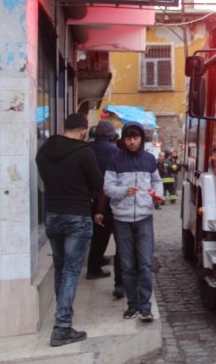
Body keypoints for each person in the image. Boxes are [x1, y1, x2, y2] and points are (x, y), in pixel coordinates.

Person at [36, 113, 103, 347]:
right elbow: (98, 184)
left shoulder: (44, 150)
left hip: (52, 215)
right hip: (76, 215)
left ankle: (63, 318)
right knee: (71, 272)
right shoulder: (84, 152)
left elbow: (44, 178)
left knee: (61, 268)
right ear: (84, 130)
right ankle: (62, 326)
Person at [104, 121, 163, 322]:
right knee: (128, 265)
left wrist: (157, 195)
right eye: (128, 138)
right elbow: (108, 187)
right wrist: (123, 191)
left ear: (141, 139)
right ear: (123, 139)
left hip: (145, 217)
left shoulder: (149, 160)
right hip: (122, 219)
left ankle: (145, 306)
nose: (132, 142)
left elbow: (157, 181)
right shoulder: (115, 160)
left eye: (135, 138)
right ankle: (132, 305)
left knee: (145, 263)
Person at [87, 120, 125, 299]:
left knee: (97, 233)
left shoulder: (87, 149)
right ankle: (94, 267)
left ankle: (95, 261)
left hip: (90, 198)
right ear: (112, 135)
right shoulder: (115, 152)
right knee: (106, 234)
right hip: (107, 199)